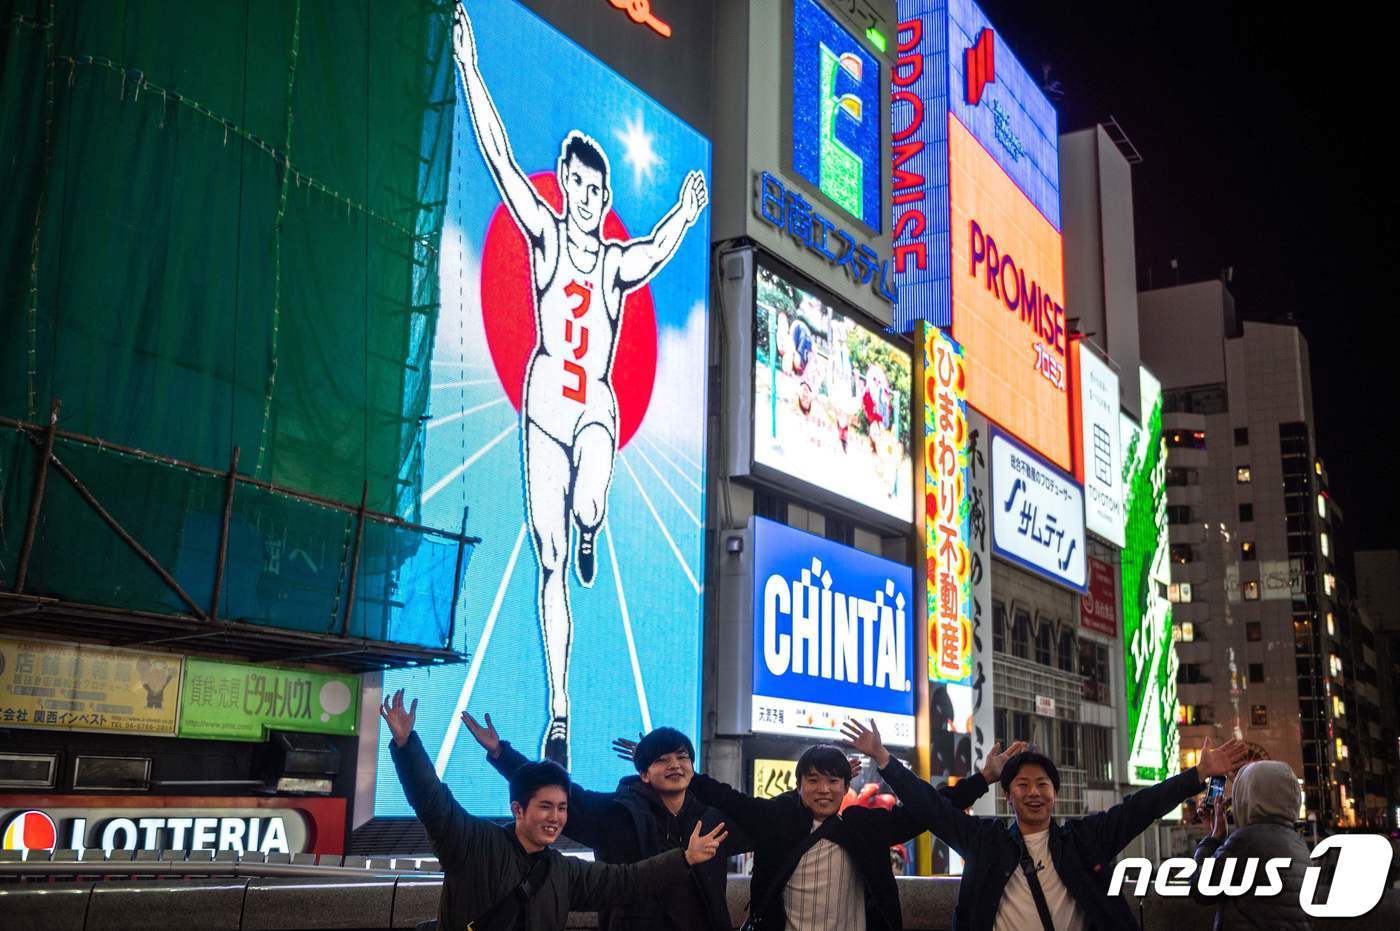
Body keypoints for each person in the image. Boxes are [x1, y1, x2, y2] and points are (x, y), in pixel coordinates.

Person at [453, 0, 709, 768]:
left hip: (594, 401)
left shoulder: (615, 261)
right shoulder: (543, 231)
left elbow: (657, 250)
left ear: (605, 196)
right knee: (549, 554)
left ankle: (594, 518)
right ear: (566, 186)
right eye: (579, 186)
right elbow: (498, 158)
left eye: (599, 191)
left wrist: (687, 216)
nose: (590, 199)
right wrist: (469, 66)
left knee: (589, 500)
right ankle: (560, 713)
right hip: (543, 403)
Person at [842, 717, 1248, 931]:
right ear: (1009, 794)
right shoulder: (985, 841)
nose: (1033, 792)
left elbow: (1140, 807)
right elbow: (930, 807)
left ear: (1053, 793)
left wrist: (1195, 777)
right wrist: (883, 758)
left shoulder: (1084, 840)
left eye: (1042, 784)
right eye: (1022, 784)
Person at [380, 689, 727, 931]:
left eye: (562, 808)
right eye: (545, 807)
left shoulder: (564, 872)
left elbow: (627, 881)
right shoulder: (474, 845)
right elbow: (432, 801)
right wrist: (406, 745)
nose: (556, 817)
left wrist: (684, 858)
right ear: (517, 809)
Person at [685, 737, 1027, 930]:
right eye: (814, 781)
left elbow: (931, 810)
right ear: (798, 785)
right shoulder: (776, 821)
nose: (823, 790)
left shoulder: (864, 827)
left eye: (833, 781)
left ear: (846, 786)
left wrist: (983, 779)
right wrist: (682, 770)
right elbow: (728, 798)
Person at [464, 711, 743, 931]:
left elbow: (763, 820)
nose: (675, 765)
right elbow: (554, 789)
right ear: (644, 773)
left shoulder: (712, 818)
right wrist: (502, 753)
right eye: (662, 760)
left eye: (682, 758)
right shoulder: (616, 814)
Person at [1192, 761, 1314, 930]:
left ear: (1247, 797)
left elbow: (1201, 889)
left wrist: (1214, 837)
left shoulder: (1247, 841)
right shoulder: (1297, 844)